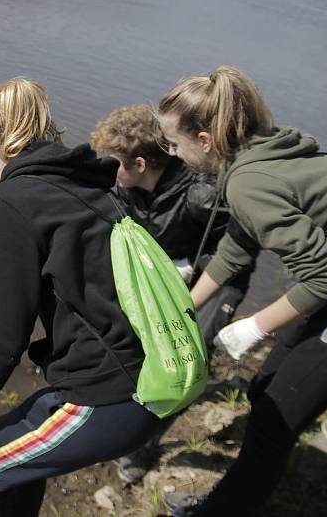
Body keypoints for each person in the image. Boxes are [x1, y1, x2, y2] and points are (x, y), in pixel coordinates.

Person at [155, 65, 327, 517]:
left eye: (173, 143)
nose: (171, 153)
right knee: (266, 385)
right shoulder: (262, 153)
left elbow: (325, 276)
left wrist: (253, 327)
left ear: (205, 141)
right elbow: (238, 245)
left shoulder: (249, 181)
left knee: (274, 416)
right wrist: (184, 309)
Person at [0, 78, 170, 517]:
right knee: (18, 470)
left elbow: (3, 342)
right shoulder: (87, 182)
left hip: (114, 394)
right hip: (155, 372)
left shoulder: (11, 200)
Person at [90, 105, 253, 484]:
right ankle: (119, 412)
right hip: (166, 274)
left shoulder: (203, 196)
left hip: (215, 281)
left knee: (185, 359)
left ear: (141, 163)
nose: (106, 170)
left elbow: (241, 248)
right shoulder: (126, 187)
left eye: (113, 162)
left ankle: (143, 443)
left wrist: (192, 277)